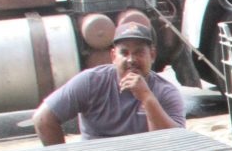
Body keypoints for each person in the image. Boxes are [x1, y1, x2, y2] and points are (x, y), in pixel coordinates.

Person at [33, 21, 185, 144]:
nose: (131, 60)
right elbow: (43, 119)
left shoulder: (166, 92)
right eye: (124, 53)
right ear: (113, 56)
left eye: (139, 52)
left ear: (152, 55)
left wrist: (147, 98)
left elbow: (174, 143)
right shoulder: (90, 82)